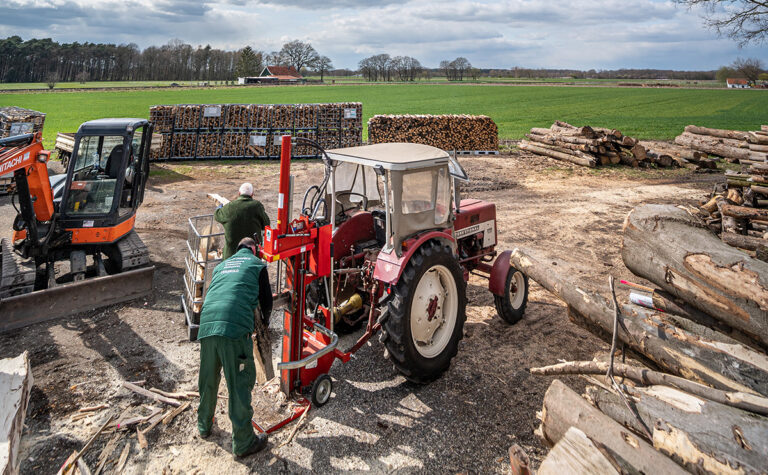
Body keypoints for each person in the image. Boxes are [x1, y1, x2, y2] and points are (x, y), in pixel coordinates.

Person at [197, 237, 273, 458]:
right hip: (234, 329)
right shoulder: (257, 265)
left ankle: (204, 425)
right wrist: (263, 326)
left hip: (207, 325)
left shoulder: (221, 266)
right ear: (254, 249)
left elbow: (215, 293)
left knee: (208, 379)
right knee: (239, 383)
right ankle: (243, 442)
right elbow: (266, 301)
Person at [215, 183, 270, 260]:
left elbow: (217, 216)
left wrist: (219, 207)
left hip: (231, 256)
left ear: (239, 193)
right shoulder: (257, 206)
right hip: (252, 255)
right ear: (252, 194)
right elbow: (266, 224)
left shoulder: (229, 207)